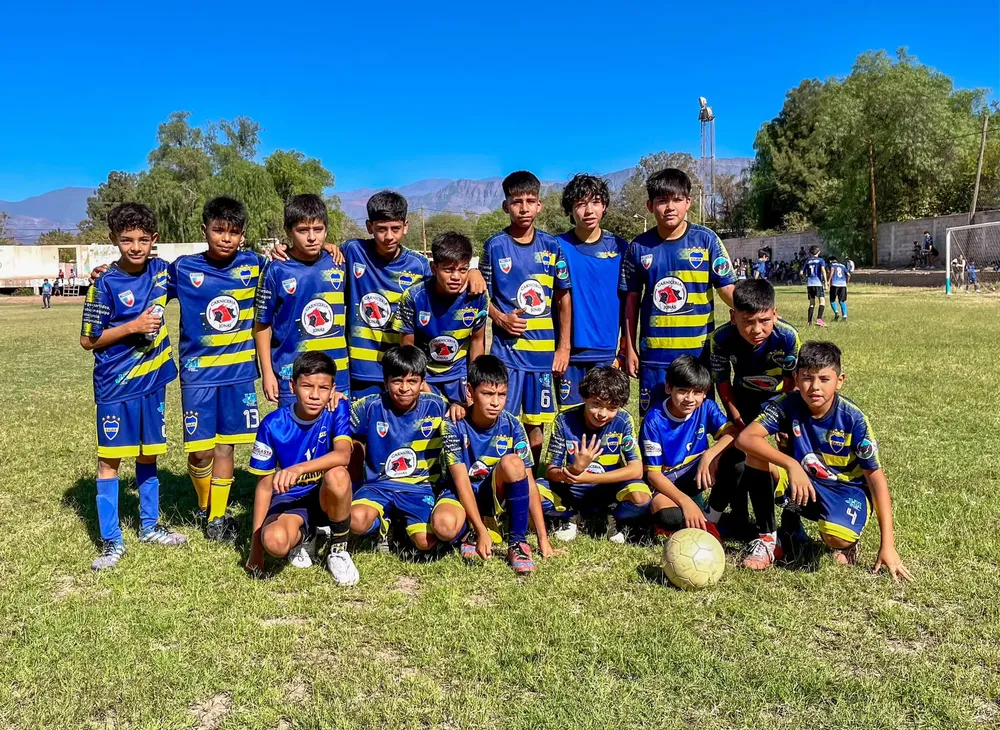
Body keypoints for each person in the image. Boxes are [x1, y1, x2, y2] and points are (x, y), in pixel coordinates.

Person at [736, 341, 913, 580]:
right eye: (807, 378)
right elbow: (745, 438)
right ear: (796, 378)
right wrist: (791, 464)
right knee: (755, 455)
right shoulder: (788, 404)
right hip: (805, 481)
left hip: (847, 490)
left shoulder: (853, 419)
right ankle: (768, 539)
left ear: (840, 381)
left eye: (824, 379)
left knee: (836, 536)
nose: (814, 387)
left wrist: (888, 546)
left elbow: (876, 479)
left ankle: (846, 544)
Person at [80, 202, 185, 570]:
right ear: (114, 240)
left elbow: (206, 270)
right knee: (110, 461)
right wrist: (132, 327)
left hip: (153, 383)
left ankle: (149, 526)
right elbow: (88, 340)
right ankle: (111, 542)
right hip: (114, 385)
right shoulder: (104, 283)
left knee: (148, 454)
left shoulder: (162, 273)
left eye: (143, 239)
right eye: (127, 240)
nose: (135, 247)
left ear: (154, 240)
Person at [621, 168, 736, 416]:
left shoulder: (706, 240)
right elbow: (631, 301)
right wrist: (629, 348)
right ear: (650, 205)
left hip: (698, 354)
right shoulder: (638, 247)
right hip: (655, 356)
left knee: (697, 422)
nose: (670, 207)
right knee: (654, 422)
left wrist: (752, 310)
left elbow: (726, 287)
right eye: (662, 201)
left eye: (677, 200)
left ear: (688, 202)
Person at [430, 355, 555, 574]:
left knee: (514, 463)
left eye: (502, 394)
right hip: (460, 492)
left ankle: (517, 542)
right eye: (487, 394)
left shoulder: (513, 425)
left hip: (492, 493)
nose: (495, 402)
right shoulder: (453, 424)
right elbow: (460, 482)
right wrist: (480, 530)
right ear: (470, 392)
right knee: (443, 526)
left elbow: (530, 480)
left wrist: (543, 539)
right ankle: (471, 530)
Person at [481, 171, 572, 464]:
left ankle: (529, 481)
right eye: (516, 201)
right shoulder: (494, 246)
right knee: (501, 422)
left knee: (535, 428)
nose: (523, 207)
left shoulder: (552, 246)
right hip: (506, 354)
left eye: (530, 201)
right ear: (506, 206)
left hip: (541, 356)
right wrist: (500, 318)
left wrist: (563, 347)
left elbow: (563, 298)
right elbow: (481, 296)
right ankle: (499, 483)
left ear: (539, 206)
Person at [709, 279, 800, 563]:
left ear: (775, 313)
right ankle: (712, 520)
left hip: (778, 405)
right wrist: (737, 419)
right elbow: (723, 384)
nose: (756, 330)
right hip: (742, 403)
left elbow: (791, 384)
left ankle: (786, 527)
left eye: (764, 320)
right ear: (733, 316)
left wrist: (781, 425)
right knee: (735, 459)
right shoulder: (720, 339)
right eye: (747, 321)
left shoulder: (787, 337)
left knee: (783, 459)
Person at [245, 353, 357, 584]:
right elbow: (265, 487)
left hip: (326, 496)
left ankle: (338, 548)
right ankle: (308, 535)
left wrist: (298, 469)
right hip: (292, 501)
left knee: (337, 474)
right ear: (292, 385)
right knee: (274, 542)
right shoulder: (272, 424)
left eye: (323, 388)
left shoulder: (337, 409)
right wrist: (255, 549)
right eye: (307, 386)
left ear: (332, 388)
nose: (315, 395)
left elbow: (343, 455)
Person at [349, 346, 448, 553]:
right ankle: (383, 524)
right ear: (385, 382)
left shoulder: (438, 407)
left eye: (412, 381)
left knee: (425, 543)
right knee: (355, 522)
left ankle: (402, 526)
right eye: (397, 381)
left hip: (419, 488)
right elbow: (339, 425)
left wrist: (461, 408)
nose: (404, 388)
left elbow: (466, 420)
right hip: (379, 486)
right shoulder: (369, 406)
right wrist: (337, 403)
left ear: (423, 383)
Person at [254, 194, 349, 407]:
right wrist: (268, 373)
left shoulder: (338, 263)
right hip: (292, 377)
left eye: (318, 229)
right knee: (297, 438)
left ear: (326, 229)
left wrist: (330, 246)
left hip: (337, 377)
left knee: (338, 438)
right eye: (303, 231)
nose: (312, 237)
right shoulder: (276, 269)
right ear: (289, 231)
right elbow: (262, 325)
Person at [539, 366, 649, 542]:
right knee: (534, 493)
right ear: (584, 397)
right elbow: (551, 472)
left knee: (641, 497)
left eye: (612, 407)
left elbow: (636, 470)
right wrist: (574, 469)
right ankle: (570, 514)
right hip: (571, 491)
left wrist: (586, 477)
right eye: (596, 404)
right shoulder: (563, 420)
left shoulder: (624, 420)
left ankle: (613, 516)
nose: (602, 414)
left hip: (609, 491)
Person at [390, 231, 488, 420]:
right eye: (449, 270)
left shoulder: (478, 296)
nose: (456, 277)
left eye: (463, 270)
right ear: (434, 268)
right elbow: (407, 349)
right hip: (425, 377)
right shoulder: (414, 297)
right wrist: (421, 384)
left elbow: (477, 342)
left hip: (458, 377)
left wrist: (474, 385)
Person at [641, 355, 734, 541]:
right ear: (669, 388)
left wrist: (710, 455)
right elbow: (653, 475)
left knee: (736, 457)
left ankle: (710, 518)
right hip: (664, 483)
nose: (690, 398)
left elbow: (733, 433)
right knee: (670, 518)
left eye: (697, 392)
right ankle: (672, 518)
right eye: (683, 391)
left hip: (693, 476)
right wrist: (684, 502)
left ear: (705, 393)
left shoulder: (706, 407)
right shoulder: (654, 419)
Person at [554, 174, 628, 410]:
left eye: (595, 202)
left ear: (604, 206)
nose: (588, 210)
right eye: (580, 204)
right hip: (569, 353)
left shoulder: (620, 247)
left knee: (604, 418)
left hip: (606, 351)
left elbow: (630, 300)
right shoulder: (556, 246)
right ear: (570, 209)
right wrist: (562, 348)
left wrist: (625, 346)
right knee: (572, 423)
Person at [800, 245, 828, 327]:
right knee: (822, 301)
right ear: (818, 252)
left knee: (812, 303)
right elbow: (823, 270)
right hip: (818, 283)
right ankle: (819, 319)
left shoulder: (807, 261)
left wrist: (806, 278)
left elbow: (801, 273)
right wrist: (826, 282)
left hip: (810, 283)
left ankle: (809, 322)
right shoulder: (821, 260)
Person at [827, 255, 850, 322]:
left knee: (832, 300)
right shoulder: (842, 265)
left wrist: (828, 281)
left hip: (835, 284)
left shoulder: (831, 265)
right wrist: (847, 282)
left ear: (830, 261)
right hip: (843, 285)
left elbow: (832, 270)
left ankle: (836, 312)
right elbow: (848, 274)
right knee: (842, 301)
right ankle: (844, 315)